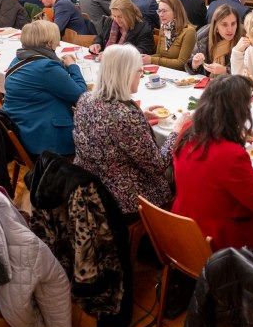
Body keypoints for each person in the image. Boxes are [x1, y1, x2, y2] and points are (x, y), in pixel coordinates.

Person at [73, 44, 187, 218]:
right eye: (139, 71)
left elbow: (111, 129)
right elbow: (158, 165)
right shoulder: (124, 115)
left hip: (91, 186)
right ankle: (174, 222)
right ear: (125, 74)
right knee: (185, 170)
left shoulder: (85, 99)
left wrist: (141, 116)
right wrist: (176, 132)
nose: (140, 76)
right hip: (126, 198)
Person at [173, 75, 253, 250]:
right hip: (221, 245)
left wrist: (234, 134)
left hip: (184, 236)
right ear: (237, 112)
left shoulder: (186, 132)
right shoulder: (230, 155)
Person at [3, 20, 87, 156]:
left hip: (21, 130)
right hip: (45, 140)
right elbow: (82, 97)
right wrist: (73, 66)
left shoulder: (18, 59)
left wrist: (59, 65)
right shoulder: (46, 67)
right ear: (49, 43)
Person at [186, 3, 242, 77]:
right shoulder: (203, 40)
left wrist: (225, 70)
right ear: (216, 26)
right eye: (224, 24)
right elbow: (193, 70)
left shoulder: (243, 41)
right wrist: (194, 65)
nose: (230, 29)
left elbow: (247, 72)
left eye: (233, 24)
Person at [143, 0, 196, 70]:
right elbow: (159, 55)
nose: (161, 15)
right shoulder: (164, 27)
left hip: (180, 74)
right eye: (159, 11)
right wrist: (144, 58)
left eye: (164, 11)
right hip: (165, 71)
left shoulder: (189, 32)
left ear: (176, 12)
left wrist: (151, 59)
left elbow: (182, 63)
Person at [90, 0, 155, 56]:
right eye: (114, 16)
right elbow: (101, 37)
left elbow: (143, 50)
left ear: (129, 15)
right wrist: (97, 44)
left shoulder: (143, 28)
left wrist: (115, 54)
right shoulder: (110, 21)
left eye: (120, 16)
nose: (117, 20)